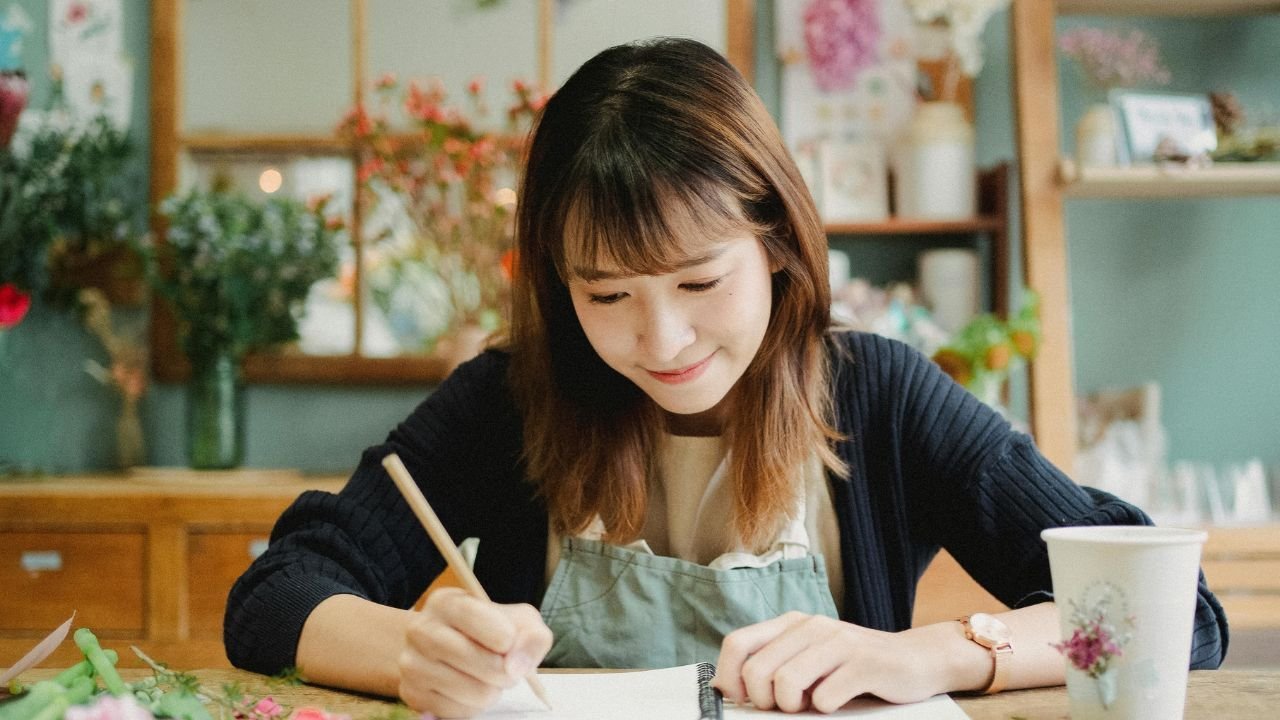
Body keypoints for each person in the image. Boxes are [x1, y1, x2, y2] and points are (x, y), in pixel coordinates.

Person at [225, 38, 1227, 717]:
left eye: (699, 280)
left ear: (777, 245)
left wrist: (924, 656)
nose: (660, 339)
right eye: (604, 295)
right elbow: (276, 592)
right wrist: (410, 656)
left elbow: (1169, 614)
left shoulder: (875, 398)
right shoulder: (510, 398)